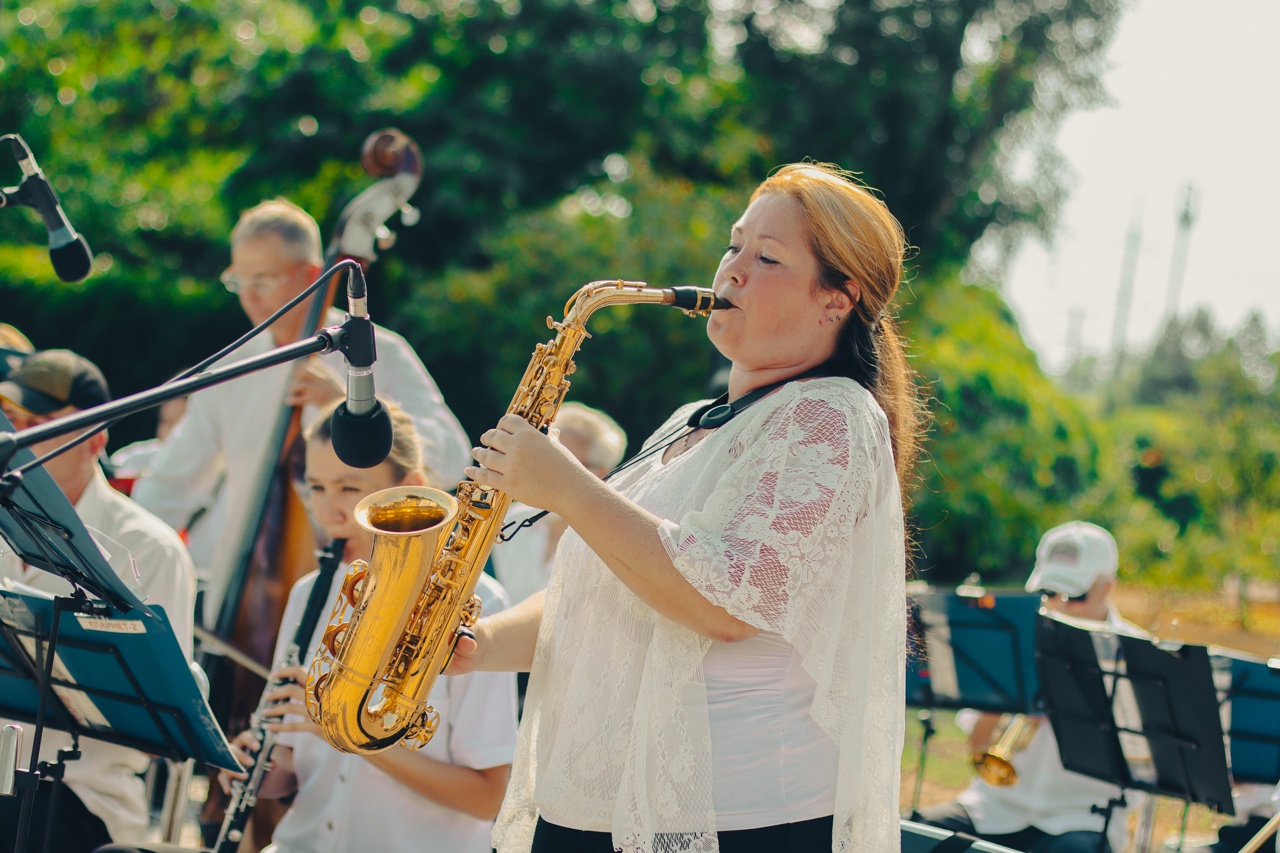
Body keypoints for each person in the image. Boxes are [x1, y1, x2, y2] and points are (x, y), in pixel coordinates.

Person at [456, 162, 924, 852]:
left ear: (837, 298)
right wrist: (478, 643)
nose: (731, 270)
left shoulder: (830, 416)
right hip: (595, 805)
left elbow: (727, 599)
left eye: (767, 257)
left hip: (736, 821)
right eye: (735, 245)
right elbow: (604, 589)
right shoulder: (688, 424)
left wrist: (567, 487)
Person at [97, 400, 518, 853]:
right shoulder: (309, 594)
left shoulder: (478, 605)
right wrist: (256, 767)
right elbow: (292, 771)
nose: (330, 511)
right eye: (316, 487)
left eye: (350, 488)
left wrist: (344, 727)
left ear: (410, 489)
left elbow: (488, 798)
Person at [132, 198, 470, 624]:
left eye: (265, 279)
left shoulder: (380, 352)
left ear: (312, 277)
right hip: (246, 606)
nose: (250, 296)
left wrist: (354, 413)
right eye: (239, 280)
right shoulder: (233, 369)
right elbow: (169, 484)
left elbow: (450, 460)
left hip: (365, 598)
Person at [0, 349, 197, 853]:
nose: (18, 437)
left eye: (39, 422)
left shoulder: (148, 547)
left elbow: (160, 715)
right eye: (13, 420)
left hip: (83, 793)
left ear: (96, 436)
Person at [917, 520, 1146, 853]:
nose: (1061, 606)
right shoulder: (1014, 638)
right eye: (1049, 592)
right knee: (914, 834)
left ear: (1109, 587)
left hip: (1082, 819)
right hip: (995, 809)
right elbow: (976, 748)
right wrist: (1002, 700)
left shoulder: (1138, 657)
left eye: (1076, 595)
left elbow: (1147, 769)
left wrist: (1076, 715)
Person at [491, 401, 627, 606]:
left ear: (600, 475)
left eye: (565, 463)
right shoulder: (511, 518)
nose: (544, 468)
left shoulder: (611, 543)